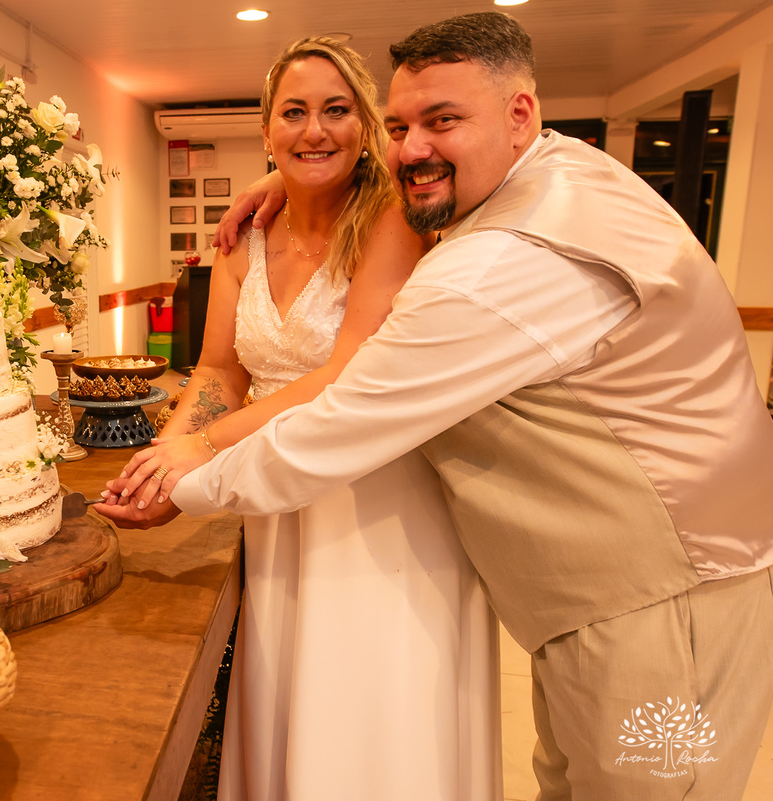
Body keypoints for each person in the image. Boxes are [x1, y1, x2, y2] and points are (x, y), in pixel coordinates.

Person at [105, 12, 773, 801]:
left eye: (445, 120)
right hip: (592, 594)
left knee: (659, 788)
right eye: (400, 126)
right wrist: (284, 179)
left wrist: (183, 481)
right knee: (578, 779)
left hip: (666, 601)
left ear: (520, 115)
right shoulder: (559, 174)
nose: (413, 148)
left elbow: (342, 418)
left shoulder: (499, 266)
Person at [98, 36, 501, 801]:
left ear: (367, 127)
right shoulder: (242, 237)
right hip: (277, 501)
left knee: (368, 705)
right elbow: (220, 368)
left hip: (375, 498)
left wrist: (201, 452)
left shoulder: (391, 223)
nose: (315, 130)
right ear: (267, 131)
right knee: (288, 690)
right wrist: (165, 449)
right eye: (295, 113)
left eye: (336, 110)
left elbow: (340, 373)